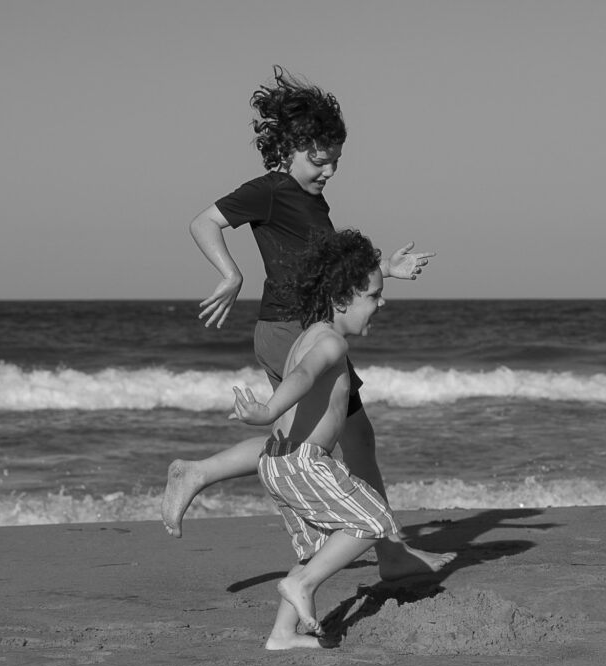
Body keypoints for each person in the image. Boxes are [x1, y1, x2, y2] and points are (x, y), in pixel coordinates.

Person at [161, 66, 453, 580]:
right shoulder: (269, 190)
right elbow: (202, 222)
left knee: (308, 443)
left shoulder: (311, 200)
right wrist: (231, 274)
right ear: (290, 147)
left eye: (335, 162)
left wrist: (384, 269)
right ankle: (390, 553)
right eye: (320, 160)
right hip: (291, 331)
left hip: (305, 327)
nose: (329, 171)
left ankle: (199, 472)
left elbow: (326, 272)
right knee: (337, 440)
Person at [231, 228, 401, 649]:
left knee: (318, 545)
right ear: (343, 298)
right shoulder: (330, 342)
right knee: (373, 519)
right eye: (374, 295)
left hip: (278, 459)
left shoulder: (311, 332)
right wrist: (267, 411)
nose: (382, 302)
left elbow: (302, 373)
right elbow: (303, 377)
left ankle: (282, 635)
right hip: (303, 460)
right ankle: (301, 585)